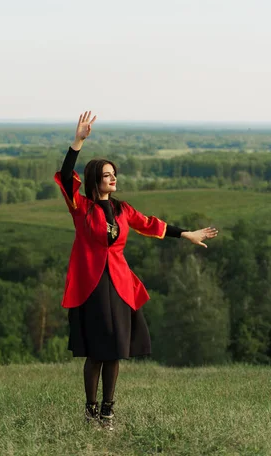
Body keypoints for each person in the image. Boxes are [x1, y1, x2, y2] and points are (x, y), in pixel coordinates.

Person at [54, 111, 218, 430]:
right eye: (106, 175)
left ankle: (108, 413)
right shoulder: (81, 207)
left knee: (115, 349)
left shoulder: (122, 209)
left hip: (119, 284)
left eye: (114, 174)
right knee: (96, 353)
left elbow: (151, 224)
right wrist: (78, 141)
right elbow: (64, 174)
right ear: (94, 180)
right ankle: (89, 412)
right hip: (91, 285)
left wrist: (187, 233)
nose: (113, 178)